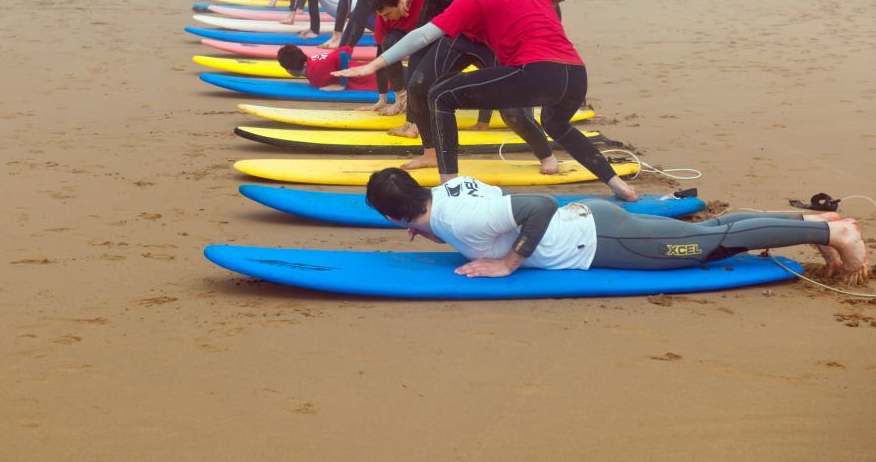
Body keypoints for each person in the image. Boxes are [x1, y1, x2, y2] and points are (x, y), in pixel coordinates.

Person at [336, 0, 636, 200]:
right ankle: (617, 184)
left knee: (440, 97)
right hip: (574, 74)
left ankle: (449, 189)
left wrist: (374, 64)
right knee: (556, 125)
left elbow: (424, 34)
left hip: (538, 72)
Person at [365, 168, 871, 284]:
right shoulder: (448, 191)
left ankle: (836, 234)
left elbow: (537, 206)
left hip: (602, 239)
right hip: (591, 221)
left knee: (709, 243)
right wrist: (432, 229)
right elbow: (477, 214)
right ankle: (815, 224)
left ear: (394, 215)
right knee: (712, 231)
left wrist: (507, 262)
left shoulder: (461, 217)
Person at [377, 0, 557, 171]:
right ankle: (430, 152)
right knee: (419, 85)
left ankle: (546, 154)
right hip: (463, 36)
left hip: (498, 42)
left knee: (512, 113)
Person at [277, 44, 377, 91]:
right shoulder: (312, 61)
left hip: (371, 78)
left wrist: (342, 84)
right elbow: (346, 49)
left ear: (290, 70)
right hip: (366, 69)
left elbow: (342, 54)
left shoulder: (315, 72)